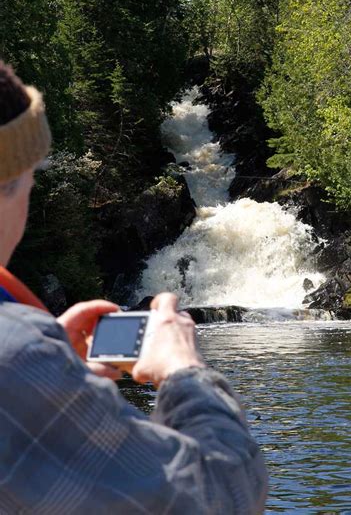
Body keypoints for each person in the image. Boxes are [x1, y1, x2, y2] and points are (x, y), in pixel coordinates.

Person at [0, 61, 267, 513]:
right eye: (32, 179)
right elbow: (225, 494)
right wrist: (183, 372)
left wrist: (53, 368)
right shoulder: (16, 356)